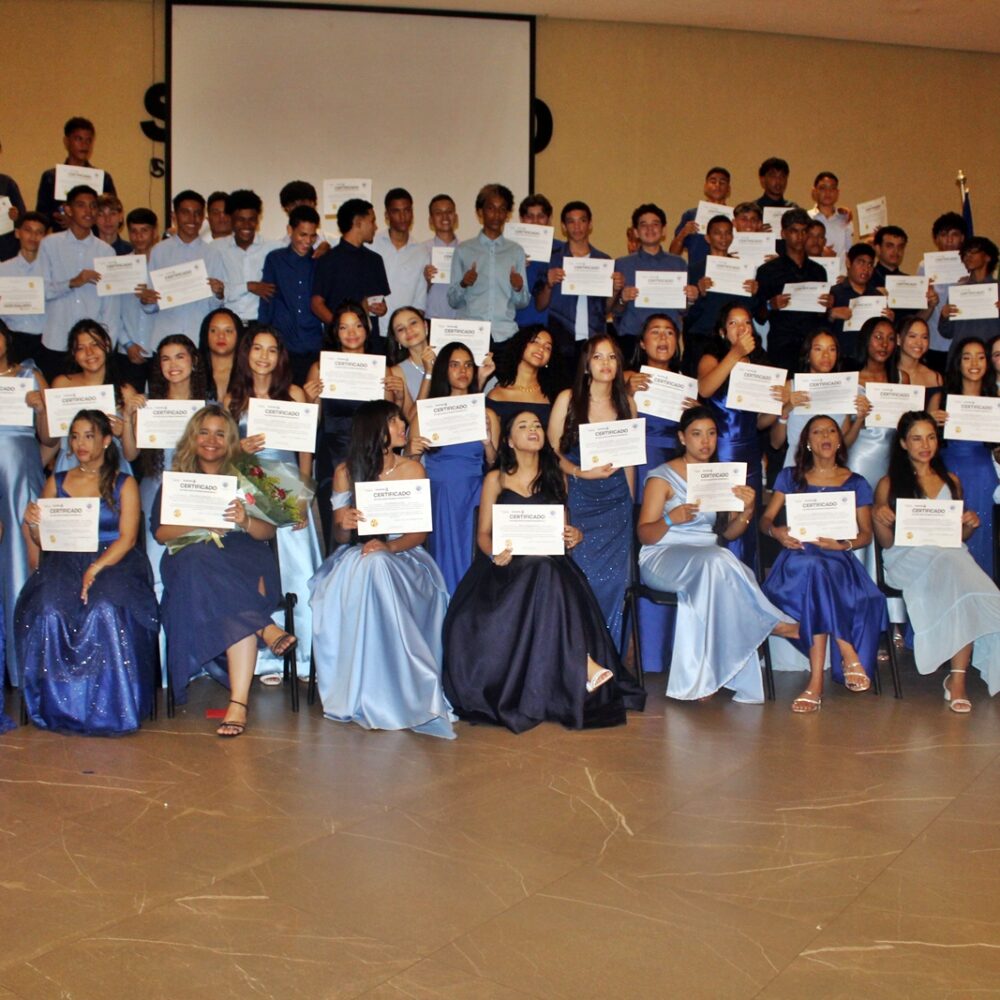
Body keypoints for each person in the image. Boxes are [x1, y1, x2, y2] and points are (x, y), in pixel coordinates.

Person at [443, 409, 645, 732]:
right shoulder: (495, 478)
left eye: (536, 424)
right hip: (506, 568)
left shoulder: (555, 477)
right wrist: (494, 552)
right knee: (543, 572)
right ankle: (584, 665)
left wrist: (574, 535)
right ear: (509, 440)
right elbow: (483, 534)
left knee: (546, 570)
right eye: (522, 425)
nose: (533, 429)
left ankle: (580, 666)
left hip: (549, 565)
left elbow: (563, 532)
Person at [309, 400, 455, 738]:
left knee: (377, 564)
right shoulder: (347, 471)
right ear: (374, 429)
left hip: (405, 557)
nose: (403, 425)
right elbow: (342, 536)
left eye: (400, 419)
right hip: (358, 557)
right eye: (393, 421)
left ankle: (400, 687)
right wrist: (342, 521)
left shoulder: (413, 470)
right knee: (369, 565)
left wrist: (388, 547)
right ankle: (372, 689)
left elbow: (420, 532)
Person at [638, 406, 797, 702]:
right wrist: (672, 519)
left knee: (727, 565)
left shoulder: (718, 475)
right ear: (682, 438)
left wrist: (748, 510)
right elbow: (644, 534)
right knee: (721, 562)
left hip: (706, 557)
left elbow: (727, 534)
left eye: (711, 434)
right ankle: (769, 621)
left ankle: (706, 678)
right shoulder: (661, 477)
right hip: (662, 554)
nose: (705, 441)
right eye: (697, 434)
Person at [18, 410, 157, 734]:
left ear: (107, 441)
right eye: (76, 436)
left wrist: (96, 567)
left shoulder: (124, 483)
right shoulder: (57, 481)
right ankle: (59, 707)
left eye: (89, 435)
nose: (81, 443)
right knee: (50, 607)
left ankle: (113, 707)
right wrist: (34, 522)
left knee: (104, 608)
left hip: (114, 559)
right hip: (65, 559)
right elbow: (44, 539)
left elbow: (128, 538)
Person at [153, 406, 289, 736]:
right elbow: (161, 533)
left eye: (220, 433)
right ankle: (264, 628)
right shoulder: (177, 481)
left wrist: (244, 520)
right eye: (204, 432)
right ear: (192, 438)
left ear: (231, 440)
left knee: (225, 591)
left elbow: (268, 533)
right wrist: (201, 520)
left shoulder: (250, 476)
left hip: (243, 558)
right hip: (191, 562)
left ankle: (238, 704)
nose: (211, 440)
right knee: (198, 558)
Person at [760, 415, 888, 713]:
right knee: (815, 569)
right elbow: (766, 520)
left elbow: (866, 534)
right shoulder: (790, 477)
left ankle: (815, 683)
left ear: (840, 439)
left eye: (831, 430)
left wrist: (842, 544)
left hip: (837, 562)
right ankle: (846, 649)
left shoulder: (856, 482)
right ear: (807, 441)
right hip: (797, 561)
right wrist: (777, 532)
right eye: (817, 432)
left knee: (820, 575)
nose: (826, 436)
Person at [874, 411, 1000, 710]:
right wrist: (879, 519)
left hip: (948, 559)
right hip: (906, 560)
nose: (925, 444)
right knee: (958, 569)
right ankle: (955, 678)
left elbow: (958, 536)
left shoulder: (951, 481)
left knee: (964, 585)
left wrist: (968, 523)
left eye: (930, 437)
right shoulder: (889, 483)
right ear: (903, 443)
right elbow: (886, 543)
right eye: (916, 438)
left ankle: (957, 679)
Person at [227, 325, 320, 678]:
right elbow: (219, 454)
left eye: (271, 349)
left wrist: (303, 500)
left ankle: (306, 656)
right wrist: (238, 449)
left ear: (280, 356)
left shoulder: (293, 393)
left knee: (298, 572)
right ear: (246, 353)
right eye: (257, 348)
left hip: (288, 489)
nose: (263, 356)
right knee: (260, 575)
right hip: (248, 490)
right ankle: (266, 658)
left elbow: (305, 452)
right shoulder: (231, 400)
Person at [548, 335, 636, 645]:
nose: (606, 363)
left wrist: (631, 504)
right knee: (582, 581)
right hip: (580, 499)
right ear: (587, 364)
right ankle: (579, 660)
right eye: (598, 357)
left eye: (612, 357)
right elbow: (551, 452)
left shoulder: (627, 403)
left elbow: (630, 463)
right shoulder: (568, 399)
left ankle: (608, 660)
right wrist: (578, 473)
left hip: (616, 506)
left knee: (615, 583)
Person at [407, 342, 499, 593]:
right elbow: (410, 465)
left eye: (468, 365)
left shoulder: (486, 414)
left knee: (472, 558)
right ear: (443, 370)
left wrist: (489, 444)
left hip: (475, 493)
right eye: (455, 365)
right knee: (443, 558)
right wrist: (411, 451)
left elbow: (493, 464)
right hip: (440, 496)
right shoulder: (427, 413)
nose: (463, 371)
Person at [121, 334, 207, 602]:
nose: (173, 364)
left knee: (198, 569)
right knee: (156, 571)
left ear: (193, 361)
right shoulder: (148, 405)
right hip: (155, 489)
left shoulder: (209, 407)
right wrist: (128, 416)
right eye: (165, 358)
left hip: (196, 493)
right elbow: (130, 453)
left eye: (179, 356)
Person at [304, 301, 398, 545]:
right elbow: (310, 424)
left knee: (373, 527)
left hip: (372, 457)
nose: (352, 332)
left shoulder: (382, 369)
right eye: (344, 327)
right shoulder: (320, 368)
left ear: (367, 329)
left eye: (358, 325)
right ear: (335, 332)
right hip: (333, 456)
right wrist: (310, 399)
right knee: (337, 525)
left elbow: (388, 421)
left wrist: (394, 394)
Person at [697, 302, 782, 571]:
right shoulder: (712, 358)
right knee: (722, 520)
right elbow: (706, 389)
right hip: (719, 451)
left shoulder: (761, 365)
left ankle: (750, 584)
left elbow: (761, 422)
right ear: (723, 331)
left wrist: (782, 405)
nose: (741, 328)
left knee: (748, 519)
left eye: (746, 322)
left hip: (750, 453)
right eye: (733, 323)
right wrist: (734, 355)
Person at [0, 321, 48, 686]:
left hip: (20, 473)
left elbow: (49, 436)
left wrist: (41, 408)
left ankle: (24, 668)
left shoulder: (30, 375)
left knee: (23, 560)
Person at [37, 185, 120, 381]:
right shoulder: (50, 244)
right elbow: (41, 292)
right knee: (57, 401)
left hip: (92, 349)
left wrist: (106, 345)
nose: (88, 211)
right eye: (81, 205)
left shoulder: (106, 251)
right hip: (56, 340)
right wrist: (73, 282)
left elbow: (111, 306)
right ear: (68, 209)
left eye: (93, 206)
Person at [931, 337, 998, 578]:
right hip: (949, 473)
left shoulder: (995, 399)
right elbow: (923, 444)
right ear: (958, 363)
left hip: (984, 476)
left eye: (981, 357)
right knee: (952, 538)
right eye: (967, 357)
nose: (974, 363)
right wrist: (932, 422)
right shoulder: (941, 398)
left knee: (983, 537)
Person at [447, 183, 530, 345]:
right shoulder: (463, 250)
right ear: (480, 212)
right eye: (491, 208)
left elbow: (523, 302)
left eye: (502, 209)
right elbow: (452, 301)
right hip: (471, 335)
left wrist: (518, 288)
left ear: (507, 214)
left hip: (505, 335)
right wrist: (464, 284)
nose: (496, 215)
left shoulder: (516, 251)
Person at [534, 200, 614, 366]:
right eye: (571, 221)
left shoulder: (603, 261)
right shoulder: (552, 259)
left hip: (594, 339)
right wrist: (549, 284)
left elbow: (607, 310)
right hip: (561, 338)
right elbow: (540, 305)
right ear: (563, 226)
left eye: (582, 221)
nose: (577, 227)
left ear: (590, 224)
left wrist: (616, 290)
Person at [753, 208, 834, 373]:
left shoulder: (819, 271)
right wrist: (770, 305)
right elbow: (759, 316)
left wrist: (827, 305)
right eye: (794, 231)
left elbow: (822, 316)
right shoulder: (768, 271)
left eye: (804, 231)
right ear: (783, 233)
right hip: (783, 344)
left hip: (812, 346)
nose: (800, 236)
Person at [45, 320, 130, 474]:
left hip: (110, 467)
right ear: (73, 354)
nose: (89, 353)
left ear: (107, 346)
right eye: (81, 348)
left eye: (95, 345)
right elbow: (52, 440)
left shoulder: (126, 392)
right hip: (70, 464)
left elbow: (132, 454)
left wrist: (123, 433)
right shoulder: (62, 384)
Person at [623, 313, 695, 495]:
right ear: (642, 343)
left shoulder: (686, 385)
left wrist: (695, 414)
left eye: (669, 333)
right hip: (639, 458)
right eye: (655, 332)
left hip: (675, 458)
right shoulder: (627, 378)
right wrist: (626, 393)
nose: (663, 338)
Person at [771, 329, 865, 467]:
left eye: (832, 349)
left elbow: (844, 444)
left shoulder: (845, 389)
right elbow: (775, 443)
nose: (826, 355)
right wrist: (786, 410)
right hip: (796, 467)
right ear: (808, 355)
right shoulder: (790, 387)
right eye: (818, 349)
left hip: (831, 468)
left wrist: (859, 419)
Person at [141, 190, 225, 343]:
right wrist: (147, 300)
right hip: (165, 338)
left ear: (203, 218)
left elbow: (215, 306)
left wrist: (219, 294)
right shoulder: (159, 251)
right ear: (175, 216)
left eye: (197, 213)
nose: (192, 219)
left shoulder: (212, 254)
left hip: (199, 339)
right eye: (185, 212)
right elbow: (151, 307)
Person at [612, 203, 692, 351]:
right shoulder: (621, 264)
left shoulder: (678, 264)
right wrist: (622, 298)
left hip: (667, 342)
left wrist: (691, 299)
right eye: (643, 225)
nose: (650, 229)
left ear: (663, 230)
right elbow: (614, 310)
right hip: (632, 339)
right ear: (636, 232)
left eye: (655, 224)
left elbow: (683, 310)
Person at [259, 204, 324, 386]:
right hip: (283, 344)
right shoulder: (275, 259)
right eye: (302, 234)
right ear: (290, 230)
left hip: (314, 343)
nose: (307, 241)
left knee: (312, 397)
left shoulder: (321, 260)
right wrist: (263, 331)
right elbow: (267, 297)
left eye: (313, 236)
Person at [310, 198, 390, 339]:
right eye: (372, 221)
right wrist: (341, 327)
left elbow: (379, 300)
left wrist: (381, 308)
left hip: (370, 342)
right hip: (338, 344)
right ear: (358, 223)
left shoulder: (375, 260)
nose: (376, 227)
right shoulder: (328, 260)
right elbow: (316, 304)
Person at [846, 317, 906, 491]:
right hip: (859, 457)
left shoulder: (902, 378)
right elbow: (840, 431)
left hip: (893, 460)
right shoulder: (850, 380)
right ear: (866, 339)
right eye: (878, 337)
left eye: (890, 338)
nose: (884, 344)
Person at [210, 189, 280, 323]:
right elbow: (217, 291)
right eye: (240, 220)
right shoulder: (215, 249)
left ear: (258, 219)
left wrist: (323, 245)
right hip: (228, 324)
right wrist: (249, 286)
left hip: (262, 325)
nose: (246, 225)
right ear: (230, 219)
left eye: (251, 220)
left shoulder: (274, 248)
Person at [35, 117, 117, 229]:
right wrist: (58, 217)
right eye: (79, 139)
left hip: (93, 241)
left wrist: (84, 219)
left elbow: (112, 214)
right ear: (66, 141)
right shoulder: (51, 177)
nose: (84, 145)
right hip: (60, 241)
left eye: (89, 140)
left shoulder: (103, 178)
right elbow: (41, 217)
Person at [115, 206, 161, 393]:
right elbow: (112, 311)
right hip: (127, 350)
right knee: (128, 403)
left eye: (144, 231)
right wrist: (127, 343)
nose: (138, 236)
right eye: (133, 231)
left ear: (155, 233)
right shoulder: (119, 266)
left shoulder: (166, 266)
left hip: (158, 348)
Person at [918, 212, 967, 371]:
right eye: (944, 235)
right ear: (936, 239)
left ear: (963, 238)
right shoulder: (924, 266)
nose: (950, 240)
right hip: (933, 341)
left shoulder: (970, 266)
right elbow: (917, 306)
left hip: (962, 342)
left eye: (955, 235)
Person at [372, 187, 429, 321]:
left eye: (407, 210)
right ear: (387, 215)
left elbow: (420, 301)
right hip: (374, 326)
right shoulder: (372, 245)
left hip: (403, 329)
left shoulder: (421, 251)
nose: (402, 217)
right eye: (396, 211)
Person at [938, 237, 1000, 357]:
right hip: (960, 356)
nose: (967, 256)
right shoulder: (958, 290)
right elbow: (947, 333)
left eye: (973, 252)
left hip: (991, 357)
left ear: (987, 257)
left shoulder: (997, 289)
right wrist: (944, 317)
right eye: (965, 253)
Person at [0, 210, 49, 363]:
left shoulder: (53, 271)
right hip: (12, 340)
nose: (33, 237)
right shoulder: (3, 269)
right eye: (28, 230)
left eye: (39, 232)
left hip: (45, 341)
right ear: (17, 233)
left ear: (46, 237)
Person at [827, 243, 891, 359]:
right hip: (842, 360)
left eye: (870, 264)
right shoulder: (833, 293)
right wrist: (831, 315)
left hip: (870, 360)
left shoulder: (877, 296)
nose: (866, 269)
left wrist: (889, 321)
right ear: (848, 263)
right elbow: (819, 329)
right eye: (861, 262)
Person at [486, 325, 558, 426]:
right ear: (520, 345)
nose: (541, 349)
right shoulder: (496, 395)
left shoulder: (553, 395)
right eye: (535, 342)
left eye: (548, 347)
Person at [669, 167, 732, 269]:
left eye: (722, 182)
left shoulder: (735, 217)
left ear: (728, 189)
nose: (717, 185)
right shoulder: (691, 215)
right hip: (696, 273)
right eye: (713, 181)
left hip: (726, 273)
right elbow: (673, 253)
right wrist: (683, 234)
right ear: (705, 187)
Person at [513, 193, 559, 329]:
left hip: (554, 327)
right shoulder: (510, 253)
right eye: (529, 217)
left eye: (541, 217)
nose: (535, 222)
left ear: (549, 219)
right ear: (521, 219)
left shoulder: (561, 251)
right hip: (517, 325)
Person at [421, 193, 460, 320]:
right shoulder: (420, 250)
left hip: (461, 320)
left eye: (449, 212)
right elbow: (412, 292)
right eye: (438, 213)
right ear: (431, 220)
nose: (445, 217)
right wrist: (426, 281)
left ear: (455, 217)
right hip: (431, 319)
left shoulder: (468, 250)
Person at [198, 307, 246, 402]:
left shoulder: (249, 373)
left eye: (228, 331)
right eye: (214, 330)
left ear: (238, 335)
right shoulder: (193, 371)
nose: (221, 336)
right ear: (205, 335)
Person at [895, 316, 943, 406]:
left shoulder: (935, 377)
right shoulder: (886, 373)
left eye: (924, 337)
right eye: (912, 336)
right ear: (898, 339)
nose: (919, 342)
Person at [807, 172, 854, 257]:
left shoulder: (846, 220)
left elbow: (849, 253)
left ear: (837, 192)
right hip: (811, 270)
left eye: (832, 188)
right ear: (814, 191)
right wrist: (820, 252)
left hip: (840, 270)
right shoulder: (806, 218)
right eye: (822, 188)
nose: (827, 192)